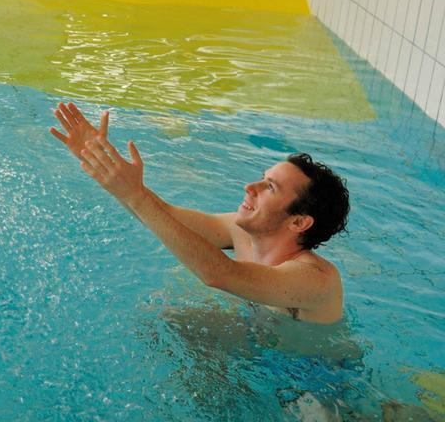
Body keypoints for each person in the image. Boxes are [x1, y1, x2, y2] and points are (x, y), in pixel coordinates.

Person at [50, 102, 350, 324]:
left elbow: (219, 274)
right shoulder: (241, 233)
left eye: (269, 187)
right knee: (170, 317)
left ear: (299, 222)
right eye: (262, 178)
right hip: (263, 338)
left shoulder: (315, 279)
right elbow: (164, 216)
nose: (250, 187)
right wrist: (104, 167)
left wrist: (134, 194)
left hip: (312, 378)